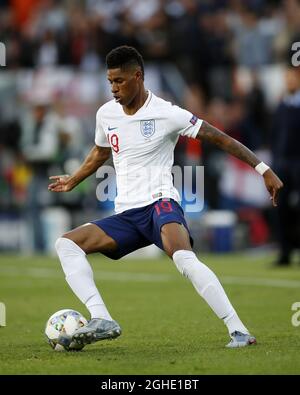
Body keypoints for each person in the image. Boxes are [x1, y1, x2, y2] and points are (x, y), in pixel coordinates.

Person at [49, 46, 283, 348]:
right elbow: (101, 151)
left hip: (160, 204)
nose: (114, 88)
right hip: (127, 215)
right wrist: (73, 180)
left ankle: (238, 330)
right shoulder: (106, 114)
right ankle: (101, 317)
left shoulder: (167, 113)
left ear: (138, 76)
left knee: (183, 257)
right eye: (110, 82)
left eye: (119, 81)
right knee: (66, 243)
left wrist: (263, 168)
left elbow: (220, 138)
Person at [271, 66, 300, 266]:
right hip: (283, 164)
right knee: (280, 208)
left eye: (292, 77)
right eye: (286, 77)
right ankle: (285, 252)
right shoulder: (282, 106)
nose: (288, 81)